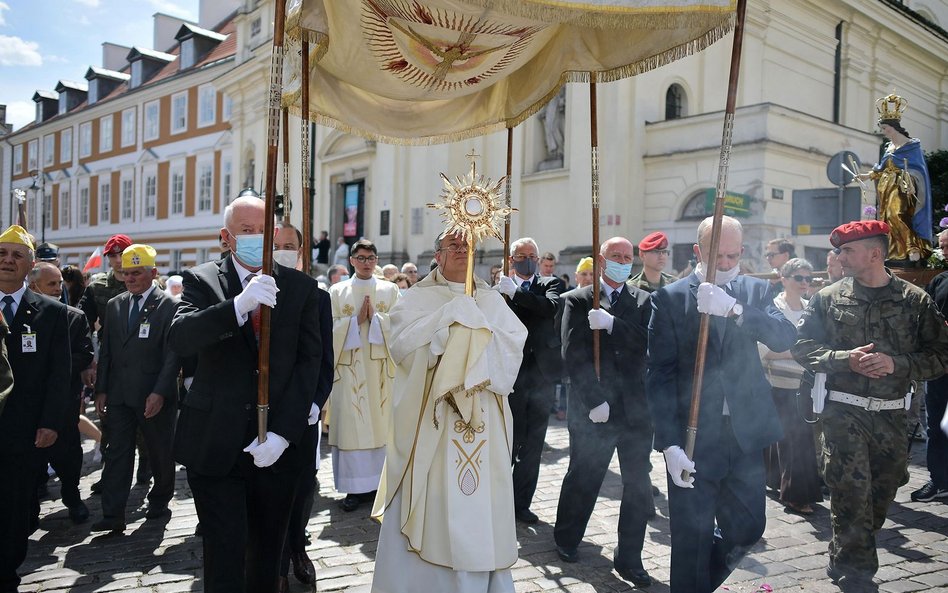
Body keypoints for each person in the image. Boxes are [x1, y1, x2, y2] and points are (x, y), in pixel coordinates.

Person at [169, 195, 324, 592]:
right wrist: (237, 305)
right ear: (227, 237)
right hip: (215, 442)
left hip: (274, 447)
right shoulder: (201, 280)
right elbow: (182, 337)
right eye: (246, 231)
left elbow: (310, 364)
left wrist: (284, 433)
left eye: (264, 231)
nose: (257, 238)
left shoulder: (302, 288)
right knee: (224, 553)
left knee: (266, 557)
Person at [792, 220, 948, 591]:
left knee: (881, 495)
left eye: (848, 251)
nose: (839, 257)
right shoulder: (828, 298)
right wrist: (844, 358)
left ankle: (842, 550)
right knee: (851, 494)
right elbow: (802, 347)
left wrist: (899, 364)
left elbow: (942, 354)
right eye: (840, 250)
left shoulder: (914, 300)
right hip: (843, 412)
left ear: (874, 254)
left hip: (893, 413)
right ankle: (859, 575)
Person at [647, 215, 797, 593]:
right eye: (718, 256)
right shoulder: (670, 298)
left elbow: (783, 337)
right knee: (690, 537)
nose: (727, 264)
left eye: (733, 256)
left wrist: (734, 309)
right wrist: (669, 444)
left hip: (744, 434)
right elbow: (659, 376)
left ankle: (699, 584)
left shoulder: (756, 292)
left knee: (749, 527)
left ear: (742, 253)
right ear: (698, 251)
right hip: (693, 435)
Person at [371, 230, 527, 593]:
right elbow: (402, 348)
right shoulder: (416, 298)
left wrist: (476, 335)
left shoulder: (491, 300)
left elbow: (512, 351)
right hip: (433, 422)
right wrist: (443, 328)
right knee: (435, 503)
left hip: (484, 419)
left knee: (479, 509)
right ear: (438, 255)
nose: (461, 251)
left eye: (467, 245)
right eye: (453, 246)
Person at [554, 237, 654, 587]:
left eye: (628, 257)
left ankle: (630, 557)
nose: (623, 261)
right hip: (594, 407)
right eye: (616, 256)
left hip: (635, 409)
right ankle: (566, 537)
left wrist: (613, 324)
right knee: (585, 475)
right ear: (601, 259)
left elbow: (647, 342)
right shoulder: (579, 300)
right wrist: (594, 399)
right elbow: (573, 354)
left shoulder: (643, 300)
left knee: (638, 486)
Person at [91, 244, 181, 533]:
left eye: (136, 273)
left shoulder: (170, 305)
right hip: (118, 394)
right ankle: (113, 513)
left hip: (153, 395)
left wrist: (160, 392)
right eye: (126, 274)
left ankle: (160, 497)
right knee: (117, 452)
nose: (129, 279)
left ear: (153, 273)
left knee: (159, 451)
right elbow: (107, 350)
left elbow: (173, 355)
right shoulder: (115, 305)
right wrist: (101, 389)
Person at [0, 225, 69, 593]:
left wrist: (51, 423)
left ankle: (7, 571)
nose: (8, 261)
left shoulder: (52, 313)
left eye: (17, 255)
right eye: (2, 254)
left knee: (15, 505)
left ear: (30, 265)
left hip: (24, 430)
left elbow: (60, 374)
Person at [274, 223, 334, 592]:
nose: (282, 250)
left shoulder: (317, 295)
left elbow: (325, 358)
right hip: (262, 410)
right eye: (276, 244)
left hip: (303, 411)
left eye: (289, 245)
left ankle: (297, 547)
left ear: (300, 251)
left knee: (300, 485)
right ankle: (274, 560)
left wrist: (315, 401)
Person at [495, 237, 565, 523]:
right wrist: (503, 294)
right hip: (510, 374)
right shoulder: (500, 289)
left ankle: (521, 502)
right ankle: (499, 499)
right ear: (511, 260)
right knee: (507, 440)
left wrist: (517, 294)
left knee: (533, 443)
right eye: (521, 255)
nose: (528, 259)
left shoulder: (550, 284)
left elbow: (548, 308)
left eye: (532, 255)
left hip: (540, 374)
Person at [327, 239, 399, 512]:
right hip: (349, 372)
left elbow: (403, 325)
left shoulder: (390, 291)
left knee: (381, 428)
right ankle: (354, 490)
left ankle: (379, 487)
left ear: (376, 260)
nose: (366, 262)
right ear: (352, 260)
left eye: (371, 257)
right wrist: (353, 322)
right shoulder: (337, 291)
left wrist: (378, 320)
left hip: (381, 371)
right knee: (352, 429)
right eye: (361, 257)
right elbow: (327, 330)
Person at [28, 262, 95, 525]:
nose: (58, 289)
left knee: (68, 454)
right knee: (30, 458)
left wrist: (56, 363)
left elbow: (85, 353)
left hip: (64, 400)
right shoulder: (23, 314)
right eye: (51, 284)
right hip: (30, 402)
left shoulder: (74, 317)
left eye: (59, 284)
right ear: (34, 286)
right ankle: (30, 506)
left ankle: (72, 497)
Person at [758, 258, 822, 515]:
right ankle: (796, 496)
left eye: (808, 278)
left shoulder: (810, 308)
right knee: (794, 438)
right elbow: (763, 349)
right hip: (777, 383)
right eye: (799, 278)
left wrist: (796, 353)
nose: (804, 283)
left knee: (792, 437)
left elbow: (815, 345)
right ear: (784, 279)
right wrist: (796, 353)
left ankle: (775, 481)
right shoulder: (774, 308)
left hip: (805, 382)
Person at [857, 93, 932, 262]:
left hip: (903, 186)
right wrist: (865, 175)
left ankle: (912, 247)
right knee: (887, 218)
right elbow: (881, 168)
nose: (884, 132)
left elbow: (918, 170)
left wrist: (911, 179)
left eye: (885, 129)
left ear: (894, 126)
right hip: (887, 188)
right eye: (882, 129)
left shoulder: (911, 146)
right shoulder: (889, 147)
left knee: (898, 214)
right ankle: (893, 251)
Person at [916, 264, 948, 502]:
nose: (944, 250)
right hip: (939, 367)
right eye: (943, 246)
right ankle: (939, 480)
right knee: (936, 425)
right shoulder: (939, 280)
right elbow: (925, 316)